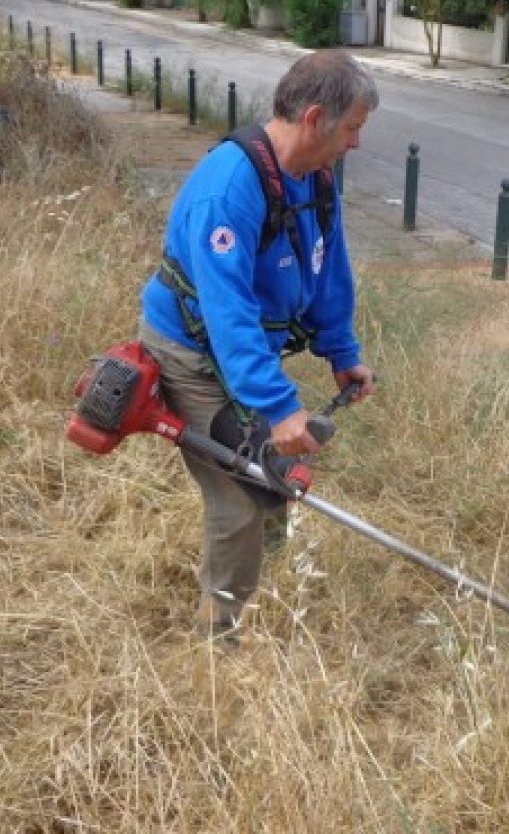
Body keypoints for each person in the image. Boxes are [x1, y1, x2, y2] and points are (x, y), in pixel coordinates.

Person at [138, 50, 378, 639]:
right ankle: (216, 639)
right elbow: (228, 313)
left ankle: (251, 596)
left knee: (274, 477)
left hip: (245, 357)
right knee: (240, 493)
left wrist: (342, 353)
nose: (356, 144)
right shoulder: (230, 189)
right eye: (352, 129)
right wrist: (277, 407)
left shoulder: (314, 179)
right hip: (191, 355)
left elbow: (330, 271)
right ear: (316, 117)